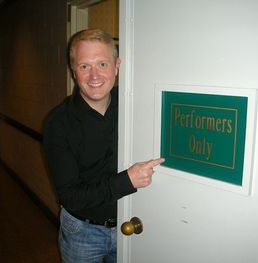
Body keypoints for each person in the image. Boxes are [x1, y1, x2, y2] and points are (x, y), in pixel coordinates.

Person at [43, 29, 164, 263]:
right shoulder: (58, 124)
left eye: (102, 64)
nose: (94, 76)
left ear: (117, 66)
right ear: (73, 71)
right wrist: (127, 180)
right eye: (84, 66)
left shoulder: (133, 105)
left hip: (131, 225)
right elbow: (71, 196)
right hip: (83, 233)